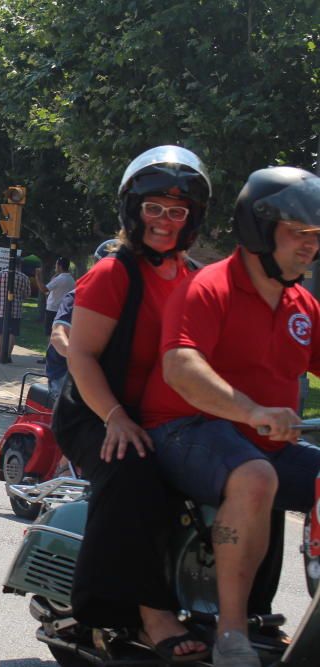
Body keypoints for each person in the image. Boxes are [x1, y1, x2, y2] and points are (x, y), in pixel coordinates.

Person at [141, 167, 320, 667]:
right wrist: (253, 410)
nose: (310, 246)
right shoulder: (208, 288)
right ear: (260, 228)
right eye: (299, 233)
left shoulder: (300, 303)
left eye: (317, 237)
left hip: (262, 442)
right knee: (255, 476)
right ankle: (232, 635)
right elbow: (181, 366)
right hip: (183, 431)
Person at [61, 145, 212, 662]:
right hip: (96, 411)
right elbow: (81, 357)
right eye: (154, 208)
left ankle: (240, 611)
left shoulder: (197, 279)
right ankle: (147, 613)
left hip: (169, 417)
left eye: (178, 211)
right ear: (133, 210)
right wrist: (115, 418)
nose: (165, 221)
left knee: (255, 472)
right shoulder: (113, 274)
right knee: (135, 467)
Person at [45, 242, 116, 400]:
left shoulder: (122, 302)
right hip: (65, 373)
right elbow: (58, 336)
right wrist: (84, 362)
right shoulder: (78, 296)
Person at [0, 264, 31, 361]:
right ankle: (8, 355)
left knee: (0, 332)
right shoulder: (24, 278)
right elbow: (27, 295)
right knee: (12, 333)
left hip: (0, 309)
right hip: (16, 310)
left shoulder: (1, 274)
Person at [40, 257, 76, 335]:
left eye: (56, 265)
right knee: (59, 334)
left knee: (50, 334)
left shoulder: (60, 279)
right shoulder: (71, 279)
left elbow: (44, 289)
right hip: (64, 309)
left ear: (60, 266)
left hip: (52, 309)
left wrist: (37, 277)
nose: (55, 267)